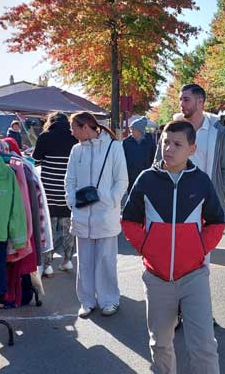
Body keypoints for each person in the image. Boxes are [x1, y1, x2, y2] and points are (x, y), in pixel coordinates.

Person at [122, 121, 225, 374]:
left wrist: (199, 249)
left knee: (203, 345)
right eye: (165, 142)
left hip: (193, 275)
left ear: (192, 149)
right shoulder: (146, 179)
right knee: (160, 341)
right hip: (157, 276)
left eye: (177, 144)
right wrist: (148, 248)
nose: (168, 149)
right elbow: (129, 221)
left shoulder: (201, 181)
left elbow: (216, 223)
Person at [65, 111, 128, 317]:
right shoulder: (76, 150)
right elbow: (70, 179)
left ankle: (109, 300)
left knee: (106, 260)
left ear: (84, 127)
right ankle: (87, 300)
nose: (71, 132)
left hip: (105, 214)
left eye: (73, 128)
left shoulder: (114, 147)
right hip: (82, 213)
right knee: (84, 261)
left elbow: (122, 179)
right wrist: (72, 202)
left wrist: (110, 200)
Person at [168, 84, 225, 208]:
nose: (181, 104)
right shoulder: (171, 129)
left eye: (186, 99)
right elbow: (159, 161)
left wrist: (222, 193)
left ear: (200, 102)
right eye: (180, 99)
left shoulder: (218, 132)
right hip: (176, 197)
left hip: (208, 200)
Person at [33, 111, 78, 274]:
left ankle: (47, 265)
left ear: (50, 121)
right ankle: (67, 260)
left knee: (49, 228)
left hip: (49, 188)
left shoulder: (45, 136)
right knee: (68, 227)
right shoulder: (74, 136)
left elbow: (36, 159)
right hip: (67, 188)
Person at [123, 116, 156, 193]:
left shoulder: (150, 141)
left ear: (140, 131)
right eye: (131, 129)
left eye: (133, 129)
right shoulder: (126, 142)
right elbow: (122, 159)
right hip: (130, 175)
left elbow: (154, 157)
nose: (131, 131)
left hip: (145, 174)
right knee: (132, 194)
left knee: (145, 194)